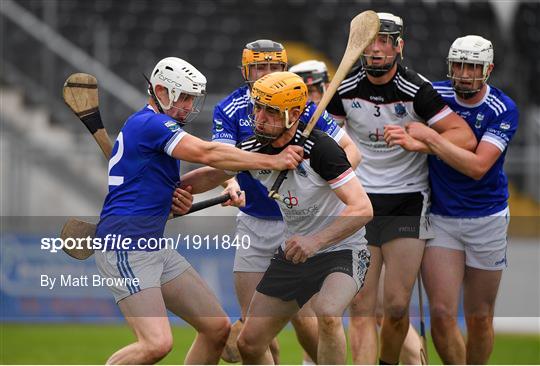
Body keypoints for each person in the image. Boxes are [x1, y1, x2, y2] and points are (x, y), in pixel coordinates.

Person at [93, 57, 303, 365]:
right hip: (126, 245)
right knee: (156, 344)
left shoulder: (156, 128)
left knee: (216, 329)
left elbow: (201, 174)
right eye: (186, 97)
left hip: (153, 244)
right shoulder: (151, 123)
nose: (190, 105)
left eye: (193, 97)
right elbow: (208, 152)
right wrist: (273, 160)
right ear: (162, 91)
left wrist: (212, 186)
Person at [180, 71, 373, 364]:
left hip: (341, 249)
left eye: (270, 111)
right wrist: (174, 193)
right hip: (295, 253)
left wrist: (315, 242)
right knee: (250, 343)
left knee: (328, 314)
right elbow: (209, 175)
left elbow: (362, 208)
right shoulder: (253, 148)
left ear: (294, 114)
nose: (259, 116)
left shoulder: (322, 149)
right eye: (257, 107)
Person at [326, 12, 477, 364]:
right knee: (362, 307)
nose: (376, 50)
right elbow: (331, 140)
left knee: (395, 308)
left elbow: (463, 137)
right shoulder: (343, 88)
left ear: (399, 47)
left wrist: (419, 141)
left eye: (384, 42)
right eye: (370, 42)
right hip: (361, 202)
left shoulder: (417, 90)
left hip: (408, 201)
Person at [385, 35, 519, 364]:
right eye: (458, 64)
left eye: (472, 66)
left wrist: (431, 138)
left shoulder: (502, 109)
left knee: (479, 317)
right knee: (442, 315)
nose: (464, 73)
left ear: (488, 69)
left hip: (486, 219)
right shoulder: (435, 95)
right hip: (441, 218)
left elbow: (477, 166)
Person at [292, 58, 426, 364]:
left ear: (325, 87)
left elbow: (350, 160)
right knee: (333, 309)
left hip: (356, 218)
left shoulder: (328, 121)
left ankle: (416, 361)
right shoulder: (300, 125)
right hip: (324, 222)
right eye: (304, 90)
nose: (311, 96)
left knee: (382, 309)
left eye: (314, 89)